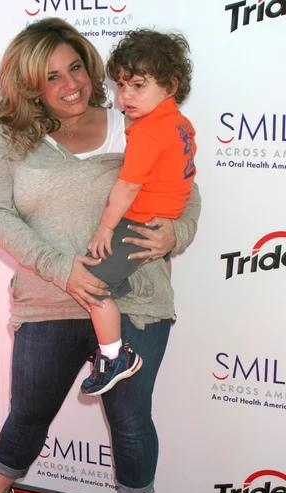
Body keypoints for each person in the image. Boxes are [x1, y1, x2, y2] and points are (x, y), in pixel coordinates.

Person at [0, 17, 201, 493]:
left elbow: (185, 191)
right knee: (27, 414)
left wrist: (175, 235)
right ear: (27, 85)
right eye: (50, 76)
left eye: (75, 67)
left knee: (130, 421)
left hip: (135, 299)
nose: (70, 85)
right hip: (49, 300)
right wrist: (61, 268)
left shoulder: (132, 118)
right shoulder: (10, 137)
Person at [81, 29, 196, 397]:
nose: (126, 95)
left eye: (138, 85)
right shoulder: (181, 125)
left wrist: (104, 228)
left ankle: (114, 356)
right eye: (121, 85)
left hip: (135, 225)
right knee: (147, 266)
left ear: (171, 84)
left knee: (90, 285)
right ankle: (157, 299)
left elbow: (127, 187)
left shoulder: (148, 132)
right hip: (162, 225)